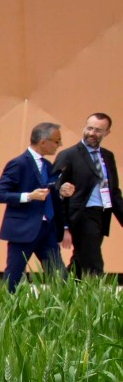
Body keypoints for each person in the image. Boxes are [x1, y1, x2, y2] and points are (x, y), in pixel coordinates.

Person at [0, 122, 75, 293]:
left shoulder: (48, 166)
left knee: (59, 276)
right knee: (14, 275)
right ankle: (3, 311)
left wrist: (61, 191)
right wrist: (29, 196)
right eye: (56, 141)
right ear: (43, 141)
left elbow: (49, 192)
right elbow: (0, 194)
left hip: (47, 229)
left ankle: (66, 312)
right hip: (24, 229)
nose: (59, 145)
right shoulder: (19, 163)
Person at [53, 112, 122, 278]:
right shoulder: (69, 155)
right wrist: (63, 225)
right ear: (84, 127)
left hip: (102, 214)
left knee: (80, 260)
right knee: (93, 263)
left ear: (107, 133)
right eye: (89, 128)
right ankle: (95, 299)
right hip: (81, 215)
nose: (92, 133)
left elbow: (114, 192)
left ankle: (64, 294)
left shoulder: (108, 156)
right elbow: (55, 188)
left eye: (98, 130)